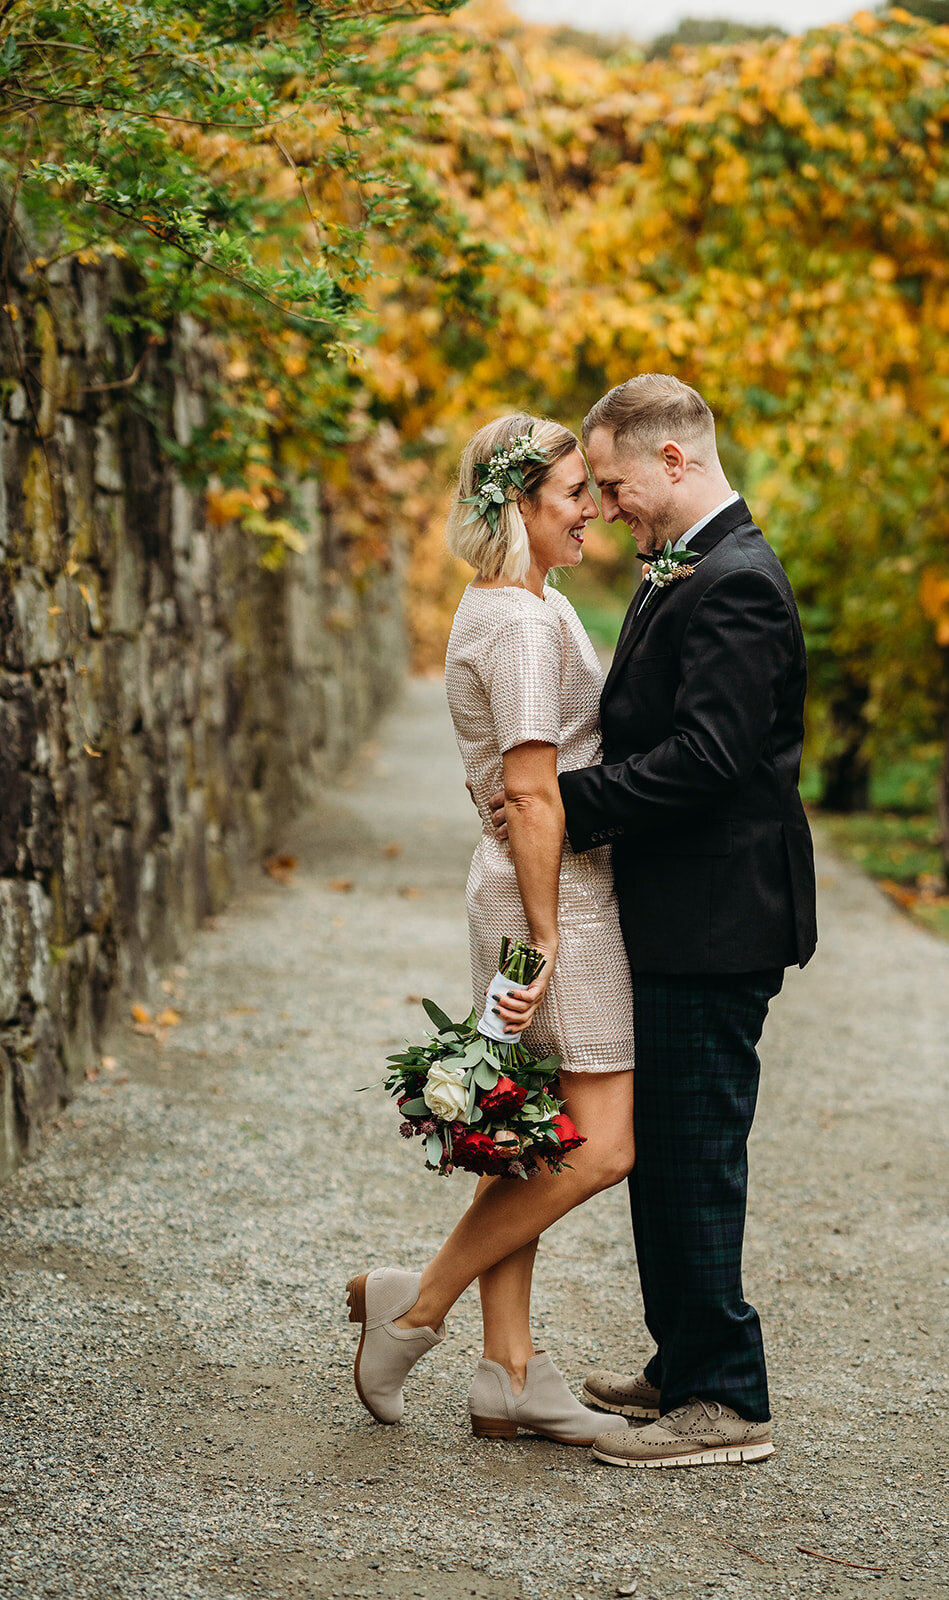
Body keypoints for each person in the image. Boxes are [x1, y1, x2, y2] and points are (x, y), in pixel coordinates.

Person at [491, 374, 817, 1468]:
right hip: (679, 906)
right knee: (670, 1147)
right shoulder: (691, 565)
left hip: (718, 915)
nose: (612, 504)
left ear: (674, 461)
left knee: (693, 1149)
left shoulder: (738, 581)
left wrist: (564, 806)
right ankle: (682, 1360)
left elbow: (712, 758)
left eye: (619, 482)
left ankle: (726, 1397)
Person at [346, 414, 635, 1448]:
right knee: (600, 1146)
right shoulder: (517, 622)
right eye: (570, 493)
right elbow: (530, 786)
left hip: (525, 886)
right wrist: (550, 932)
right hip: (552, 895)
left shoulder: (515, 603)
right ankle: (417, 1306)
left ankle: (507, 1373)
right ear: (519, 503)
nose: (591, 509)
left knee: (523, 1136)